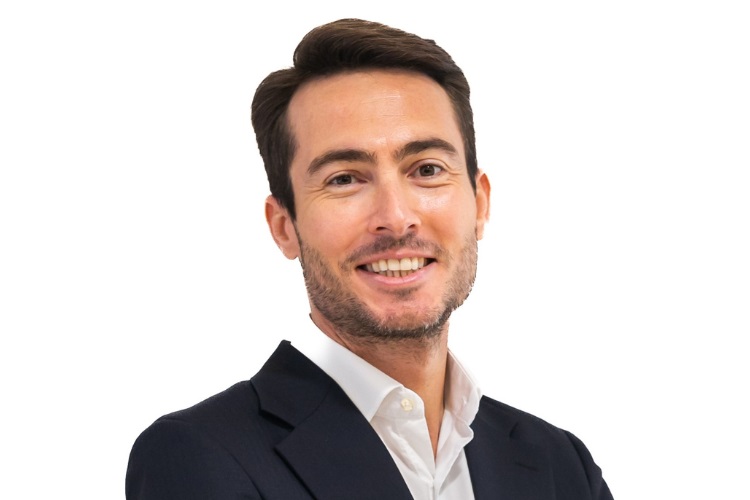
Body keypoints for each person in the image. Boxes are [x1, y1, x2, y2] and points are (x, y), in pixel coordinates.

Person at [126, 18, 613, 500]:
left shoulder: (561, 465)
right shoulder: (199, 457)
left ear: (480, 203)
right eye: (344, 179)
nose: (396, 218)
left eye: (427, 169)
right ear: (284, 227)